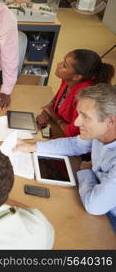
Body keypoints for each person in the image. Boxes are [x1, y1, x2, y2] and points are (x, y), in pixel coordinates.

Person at [14, 84, 116, 233]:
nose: (76, 122)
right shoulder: (101, 133)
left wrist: (87, 172)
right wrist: (33, 146)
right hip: (95, 197)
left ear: (111, 121)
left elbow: (95, 206)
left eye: (85, 116)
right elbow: (74, 144)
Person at [36, 49, 114, 137]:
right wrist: (45, 113)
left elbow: (72, 132)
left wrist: (53, 115)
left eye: (64, 65)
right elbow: (54, 102)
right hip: (60, 131)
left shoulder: (84, 95)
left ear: (76, 77)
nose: (58, 64)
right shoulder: (68, 80)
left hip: (77, 141)